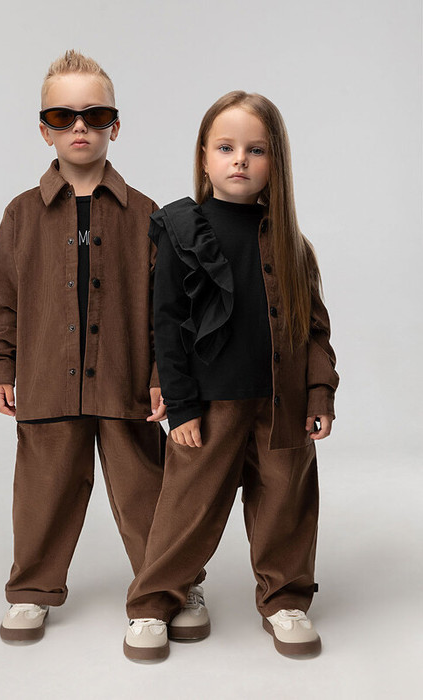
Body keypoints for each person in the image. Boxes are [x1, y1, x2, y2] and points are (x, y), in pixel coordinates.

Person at [123, 91, 339, 662]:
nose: (240, 159)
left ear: (275, 162)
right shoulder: (178, 230)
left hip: (281, 403)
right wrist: (182, 406)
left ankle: (285, 600)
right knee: (186, 510)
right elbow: (166, 326)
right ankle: (153, 602)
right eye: (226, 147)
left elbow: (315, 329)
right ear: (204, 156)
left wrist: (318, 393)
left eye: (256, 149)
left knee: (285, 505)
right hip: (208, 404)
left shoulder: (293, 245)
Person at [0, 49, 169, 642]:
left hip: (126, 380)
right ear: (45, 130)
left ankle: (168, 585)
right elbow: (5, 301)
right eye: (63, 117)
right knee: (42, 494)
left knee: (146, 490)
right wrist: (1, 366)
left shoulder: (147, 215)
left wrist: (163, 375)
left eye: (95, 114)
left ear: (116, 125)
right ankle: (31, 590)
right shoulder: (20, 215)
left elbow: (166, 311)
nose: (80, 127)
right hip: (46, 379)